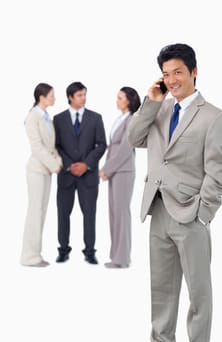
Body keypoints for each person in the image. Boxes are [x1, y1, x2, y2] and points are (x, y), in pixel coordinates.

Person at [128, 43, 222, 342]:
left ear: (194, 73)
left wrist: (205, 211)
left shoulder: (213, 116)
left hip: (191, 213)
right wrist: (150, 101)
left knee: (198, 292)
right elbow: (134, 138)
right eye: (165, 74)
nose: (172, 80)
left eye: (178, 72)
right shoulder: (159, 108)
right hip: (157, 208)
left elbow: (219, 168)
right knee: (162, 288)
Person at [53, 82, 107, 264]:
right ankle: (63, 249)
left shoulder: (96, 118)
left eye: (84, 94)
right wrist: (70, 165)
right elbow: (56, 146)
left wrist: (85, 164)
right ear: (70, 97)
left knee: (90, 214)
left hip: (88, 176)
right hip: (66, 176)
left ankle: (90, 251)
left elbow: (102, 144)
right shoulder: (58, 119)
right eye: (79, 95)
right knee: (62, 214)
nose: (84, 98)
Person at [20, 83, 62, 267]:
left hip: (47, 171)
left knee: (42, 213)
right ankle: (29, 257)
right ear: (41, 97)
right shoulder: (33, 117)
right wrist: (55, 165)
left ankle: (35, 254)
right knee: (35, 213)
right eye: (51, 95)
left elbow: (51, 147)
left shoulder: (46, 117)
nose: (54, 98)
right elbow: (37, 148)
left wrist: (57, 163)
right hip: (37, 170)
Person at [99, 87, 141, 268]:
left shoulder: (132, 120)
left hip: (123, 171)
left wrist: (107, 169)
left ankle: (122, 259)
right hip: (116, 171)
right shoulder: (120, 119)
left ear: (129, 101)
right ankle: (116, 255)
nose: (116, 100)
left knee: (121, 214)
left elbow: (125, 149)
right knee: (114, 213)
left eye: (120, 98)